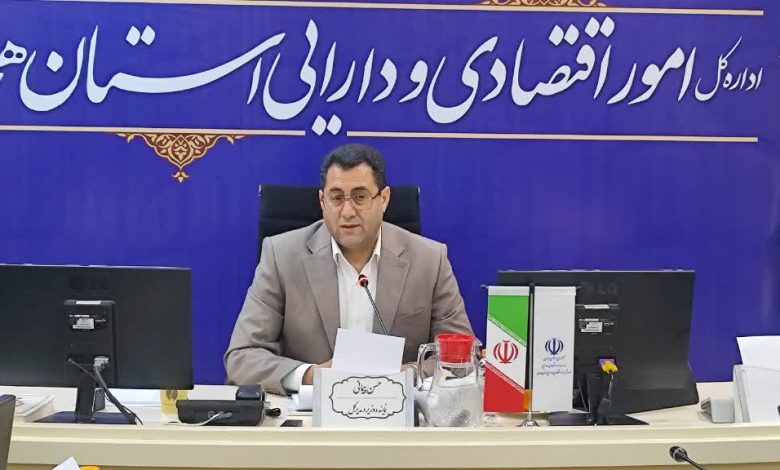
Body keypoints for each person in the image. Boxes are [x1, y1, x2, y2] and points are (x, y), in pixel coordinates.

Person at [225, 143, 473, 394]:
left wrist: (407, 375)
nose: (347, 212)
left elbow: (463, 358)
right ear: (322, 201)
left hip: (398, 411)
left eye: (360, 197)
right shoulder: (281, 256)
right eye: (336, 198)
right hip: (309, 414)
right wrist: (313, 376)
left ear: (384, 199)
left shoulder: (429, 260)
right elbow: (242, 356)